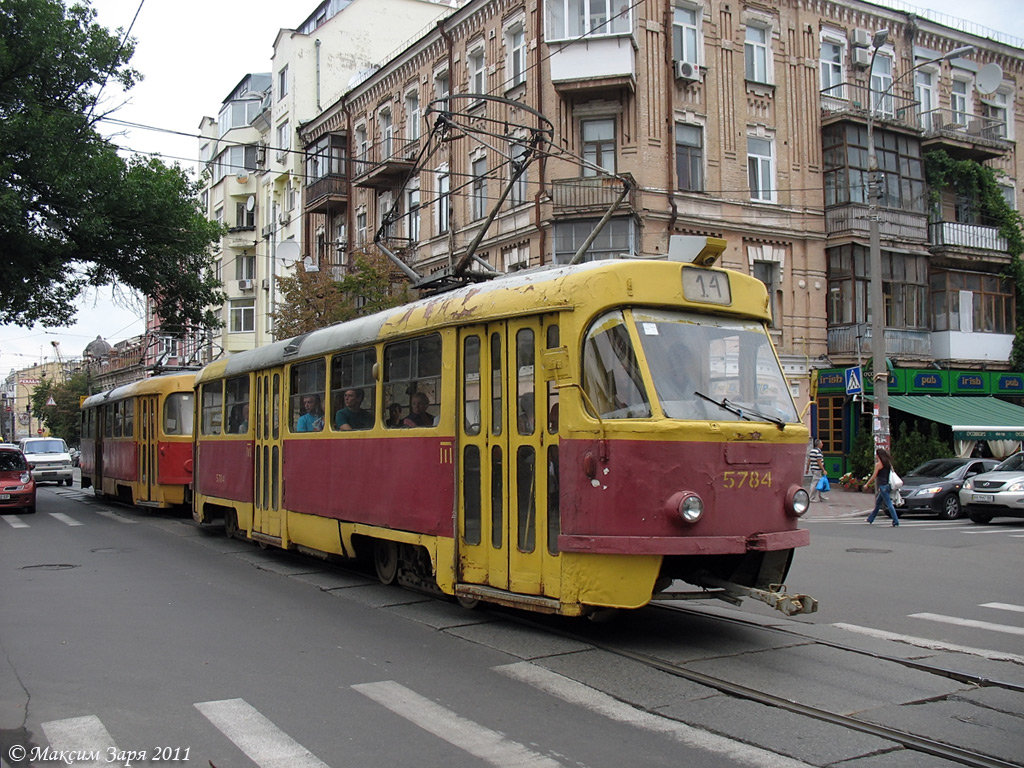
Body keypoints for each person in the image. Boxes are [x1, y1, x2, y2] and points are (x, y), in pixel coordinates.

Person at [867, 447, 900, 527]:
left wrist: (867, 484)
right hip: (887, 485)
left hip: (882, 487)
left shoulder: (879, 464)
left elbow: (874, 476)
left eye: (876, 454)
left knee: (889, 504)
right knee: (878, 503)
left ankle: (896, 521)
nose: (875, 456)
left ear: (878, 455)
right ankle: (870, 518)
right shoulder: (888, 463)